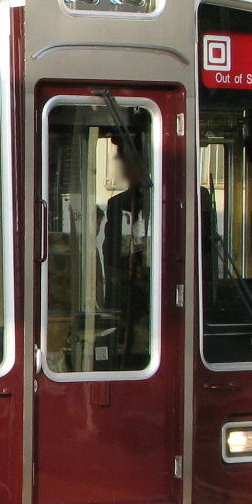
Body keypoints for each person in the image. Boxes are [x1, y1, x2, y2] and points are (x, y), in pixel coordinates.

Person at [98, 139, 152, 369]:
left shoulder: (183, 201)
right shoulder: (117, 204)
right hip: (128, 297)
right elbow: (110, 252)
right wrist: (129, 262)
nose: (123, 168)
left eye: (128, 161)